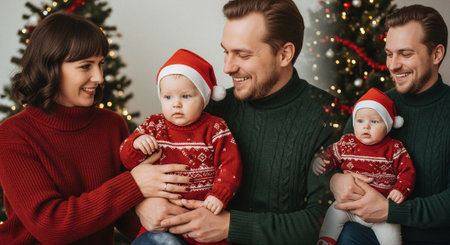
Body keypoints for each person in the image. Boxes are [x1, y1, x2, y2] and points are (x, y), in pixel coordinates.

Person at [134, 0, 337, 244]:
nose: (227, 67)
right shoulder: (211, 109)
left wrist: (230, 226)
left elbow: (325, 221)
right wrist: (143, 203)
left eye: (242, 54)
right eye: (225, 51)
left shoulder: (327, 117)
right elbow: (149, 167)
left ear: (284, 54)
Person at [0, 12, 192, 244]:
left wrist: (164, 214)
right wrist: (134, 184)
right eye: (85, 66)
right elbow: (51, 226)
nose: (99, 77)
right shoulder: (12, 134)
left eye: (100, 64)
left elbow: (124, 214)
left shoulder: (111, 125)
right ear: (50, 67)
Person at [329, 4, 450, 245]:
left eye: (405, 54)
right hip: (366, 233)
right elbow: (335, 156)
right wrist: (335, 180)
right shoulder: (374, 106)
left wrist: (392, 211)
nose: (392, 65)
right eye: (389, 53)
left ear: (436, 54)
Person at [120, 48, 242, 245]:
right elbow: (127, 159)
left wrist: (219, 195)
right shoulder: (153, 125)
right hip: (162, 220)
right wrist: (136, 144)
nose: (176, 104)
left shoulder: (215, 127)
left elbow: (230, 165)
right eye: (168, 97)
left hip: (204, 219)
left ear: (203, 98)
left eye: (185, 96)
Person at [312, 88, 416, 245]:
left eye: (374, 122)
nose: (366, 127)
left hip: (382, 213)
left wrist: (400, 189)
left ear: (387, 125)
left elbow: (407, 171)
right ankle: (326, 241)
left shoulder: (394, 148)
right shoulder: (348, 142)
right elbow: (332, 154)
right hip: (350, 207)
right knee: (334, 213)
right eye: (360, 121)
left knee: (393, 236)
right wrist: (322, 162)